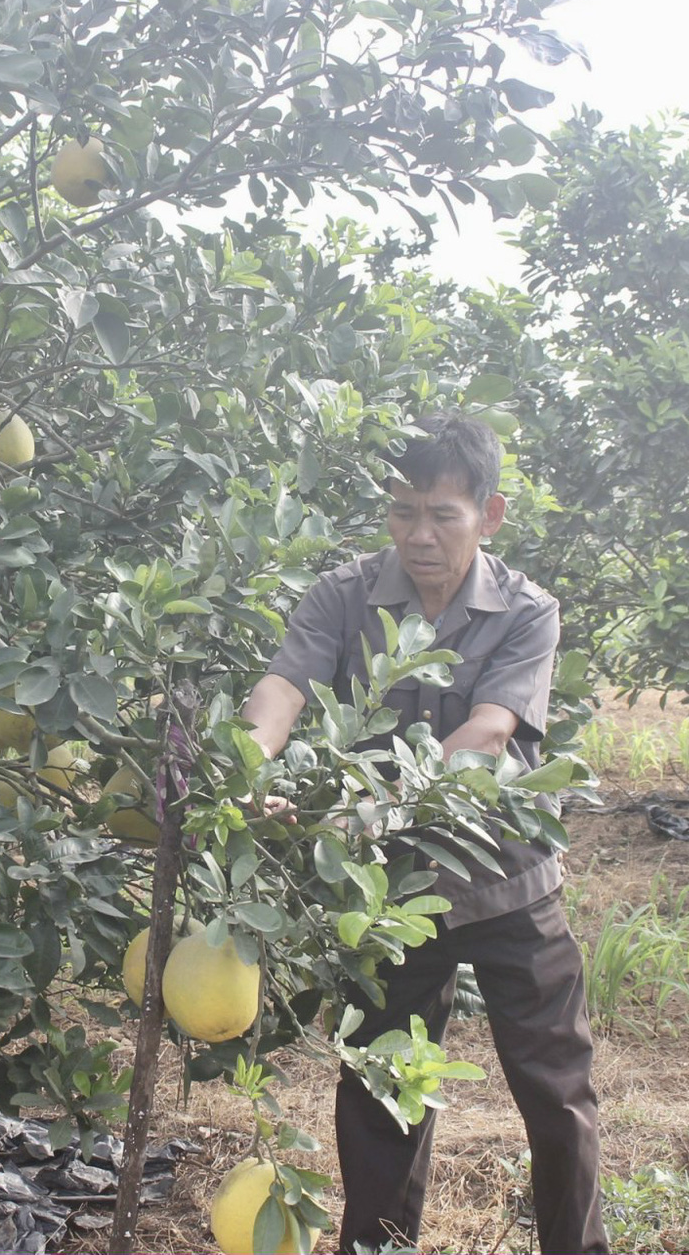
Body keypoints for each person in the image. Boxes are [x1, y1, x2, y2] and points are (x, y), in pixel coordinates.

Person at [238, 412, 606, 1255]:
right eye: (403, 511)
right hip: (389, 890)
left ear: (490, 513)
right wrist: (252, 764)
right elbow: (284, 686)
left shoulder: (525, 612)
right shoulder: (344, 593)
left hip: (510, 882)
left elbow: (485, 733)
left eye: (443, 513)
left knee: (556, 1096)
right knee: (379, 1094)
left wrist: (369, 802)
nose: (420, 534)